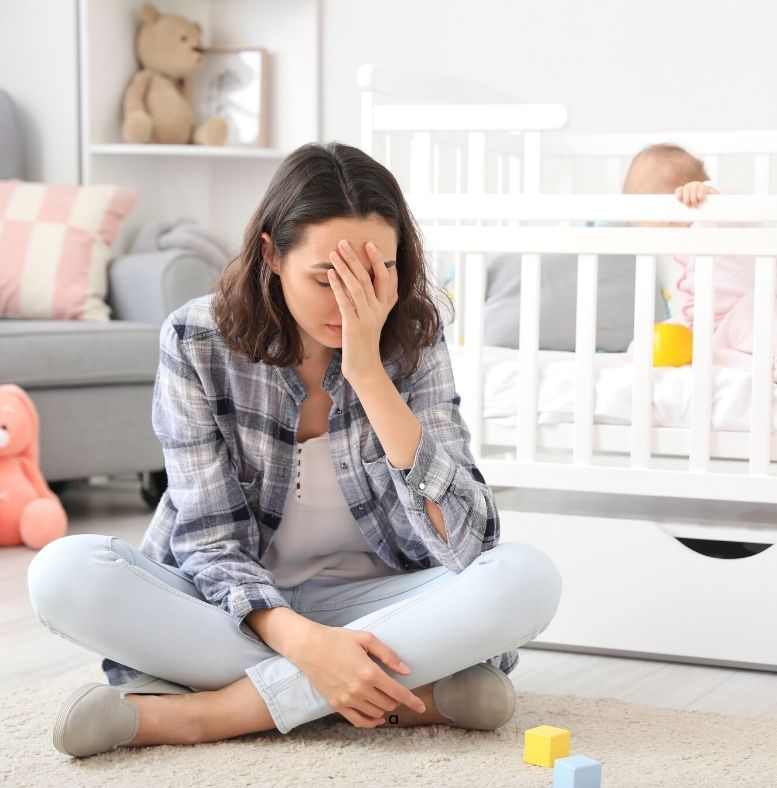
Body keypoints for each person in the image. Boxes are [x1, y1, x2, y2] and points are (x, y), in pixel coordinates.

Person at [27, 142, 563, 759]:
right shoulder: (197, 339)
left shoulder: (414, 338)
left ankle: (204, 715)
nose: (352, 302)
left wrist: (369, 375)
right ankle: (409, 694)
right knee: (62, 573)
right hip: (242, 614)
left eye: (376, 273)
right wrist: (308, 645)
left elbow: (468, 541)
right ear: (270, 255)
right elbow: (208, 543)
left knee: (527, 579)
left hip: (384, 603)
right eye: (327, 278)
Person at [623, 143, 777, 382]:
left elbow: (735, 203)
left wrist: (709, 193)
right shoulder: (682, 246)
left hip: (747, 317)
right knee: (666, 331)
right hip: (711, 328)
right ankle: (638, 355)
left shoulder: (714, 212)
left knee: (757, 308)